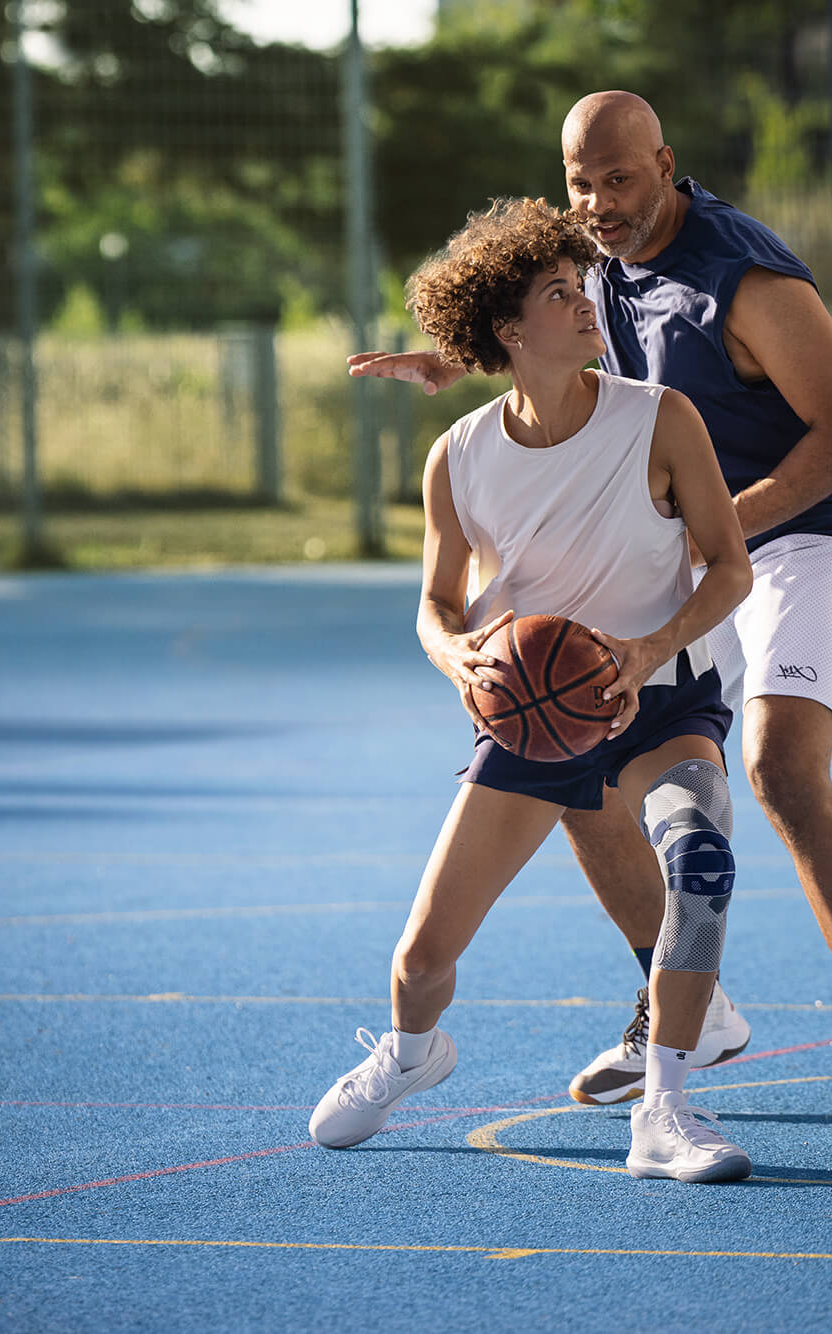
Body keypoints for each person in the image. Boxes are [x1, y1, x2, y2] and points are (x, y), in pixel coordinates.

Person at [349, 91, 832, 1152]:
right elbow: (547, 344)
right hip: (688, 532)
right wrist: (469, 359)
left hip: (802, 529)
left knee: (781, 767)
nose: (597, 204)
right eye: (580, 184)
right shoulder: (602, 259)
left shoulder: (740, 276)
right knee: (578, 739)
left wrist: (715, 527)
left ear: (666, 165)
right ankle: (685, 1005)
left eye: (618, 180)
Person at [310, 197, 759, 1182]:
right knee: (420, 961)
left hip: (662, 694)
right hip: (533, 716)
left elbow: (730, 569)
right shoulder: (459, 456)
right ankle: (412, 1052)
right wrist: (457, 656)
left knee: (698, 860)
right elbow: (435, 606)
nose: (584, 301)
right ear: (507, 331)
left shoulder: (660, 419)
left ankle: (666, 1111)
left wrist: (648, 648)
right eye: (558, 293)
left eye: (579, 283)